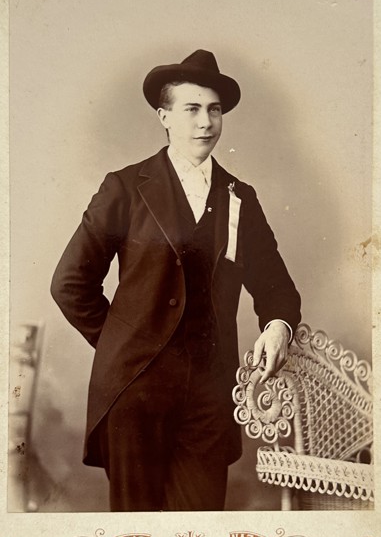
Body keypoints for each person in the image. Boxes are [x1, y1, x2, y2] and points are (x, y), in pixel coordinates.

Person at [51, 49, 301, 512]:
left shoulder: (239, 197)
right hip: (136, 393)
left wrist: (278, 325)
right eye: (191, 109)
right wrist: (123, 345)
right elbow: (69, 283)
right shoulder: (124, 188)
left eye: (214, 110)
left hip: (209, 399)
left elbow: (276, 287)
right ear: (164, 117)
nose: (205, 122)